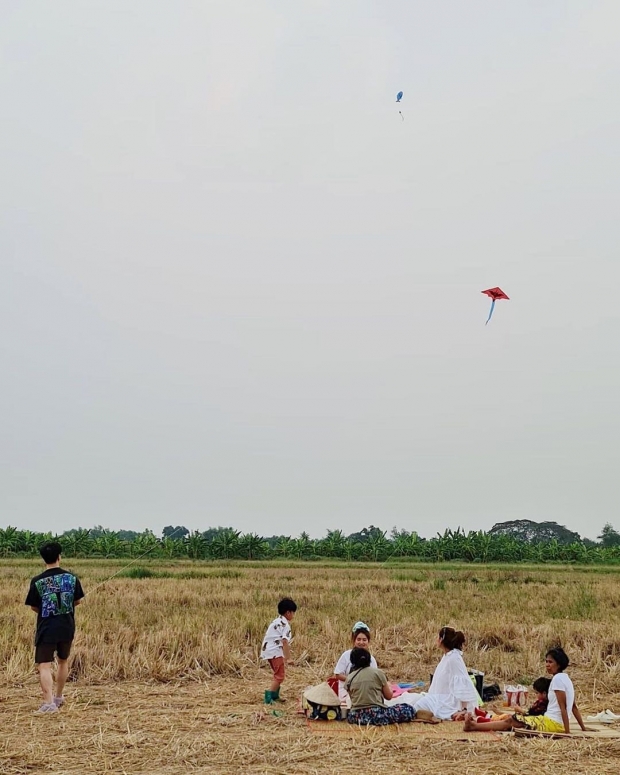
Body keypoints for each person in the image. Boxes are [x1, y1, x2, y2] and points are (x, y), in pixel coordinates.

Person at [464, 648, 587, 734]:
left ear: (559, 664)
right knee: (511, 720)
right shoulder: (566, 679)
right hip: (551, 721)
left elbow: (564, 707)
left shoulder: (557, 680)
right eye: (546, 661)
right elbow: (574, 707)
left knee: (510, 721)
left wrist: (567, 732)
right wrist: (583, 728)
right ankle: (476, 724)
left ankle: (474, 726)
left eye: (550, 662)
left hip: (552, 723)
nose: (547, 665)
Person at [24, 541, 85, 713]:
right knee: (63, 661)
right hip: (67, 626)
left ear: (44, 559)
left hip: (46, 628)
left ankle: (49, 703)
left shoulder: (37, 581)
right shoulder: (72, 578)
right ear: (60, 557)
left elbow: (34, 607)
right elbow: (77, 601)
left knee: (44, 664)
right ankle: (58, 697)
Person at [412, 626, 480, 720]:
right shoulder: (448, 656)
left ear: (441, 640)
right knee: (412, 700)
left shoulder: (454, 658)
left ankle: (457, 713)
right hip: (440, 696)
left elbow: (463, 684)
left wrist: (465, 708)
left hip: (449, 700)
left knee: (418, 706)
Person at [346, 647, 417, 726]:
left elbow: (353, 699)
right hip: (376, 715)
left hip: (355, 717)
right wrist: (389, 685)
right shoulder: (378, 673)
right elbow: (389, 696)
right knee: (408, 708)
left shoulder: (349, 678)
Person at [260, 597, 297, 704]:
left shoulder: (276, 621)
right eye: (293, 613)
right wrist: (288, 658)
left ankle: (275, 696)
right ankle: (269, 697)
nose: (293, 615)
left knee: (278, 674)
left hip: (267, 651)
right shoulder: (285, 625)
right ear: (288, 613)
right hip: (275, 652)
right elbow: (285, 641)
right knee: (280, 676)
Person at [332, 621, 378, 701]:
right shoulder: (346, 655)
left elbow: (375, 678)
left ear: (368, 641)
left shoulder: (371, 659)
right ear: (354, 640)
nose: (361, 642)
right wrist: (353, 681)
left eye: (364, 640)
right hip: (346, 693)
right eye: (358, 639)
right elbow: (338, 674)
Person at [474, 677, 550, 722]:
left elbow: (532, 715)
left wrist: (520, 710)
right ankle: (488, 715)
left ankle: (488, 719)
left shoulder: (543, 704)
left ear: (544, 693)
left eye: (537, 693)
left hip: (531, 721)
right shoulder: (540, 702)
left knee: (509, 718)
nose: (535, 695)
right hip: (529, 718)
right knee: (509, 715)